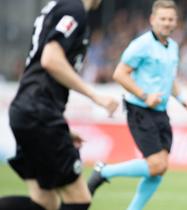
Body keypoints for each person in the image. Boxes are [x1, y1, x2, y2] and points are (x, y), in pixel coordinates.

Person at [0, 0, 118, 210]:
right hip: (38, 111)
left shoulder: (58, 6)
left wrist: (60, 127)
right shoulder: (74, 10)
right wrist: (95, 96)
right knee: (79, 199)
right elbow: (50, 59)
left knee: (46, 203)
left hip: (28, 110)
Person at [87, 1, 187, 210]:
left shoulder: (173, 47)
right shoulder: (141, 44)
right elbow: (119, 73)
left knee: (159, 169)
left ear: (175, 22)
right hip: (140, 109)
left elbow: (169, 79)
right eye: (162, 18)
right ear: (152, 20)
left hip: (160, 112)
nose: (166, 22)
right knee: (156, 164)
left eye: (170, 19)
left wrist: (182, 100)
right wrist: (144, 96)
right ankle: (104, 171)